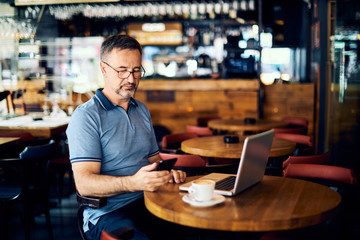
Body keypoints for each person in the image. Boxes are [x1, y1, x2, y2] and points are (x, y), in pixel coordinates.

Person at [66, 34, 187, 240]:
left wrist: (168, 174)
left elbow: (154, 161)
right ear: (104, 69)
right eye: (122, 71)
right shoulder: (86, 117)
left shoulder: (141, 109)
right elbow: (85, 184)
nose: (131, 79)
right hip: (108, 214)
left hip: (151, 201)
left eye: (136, 70)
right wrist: (133, 183)